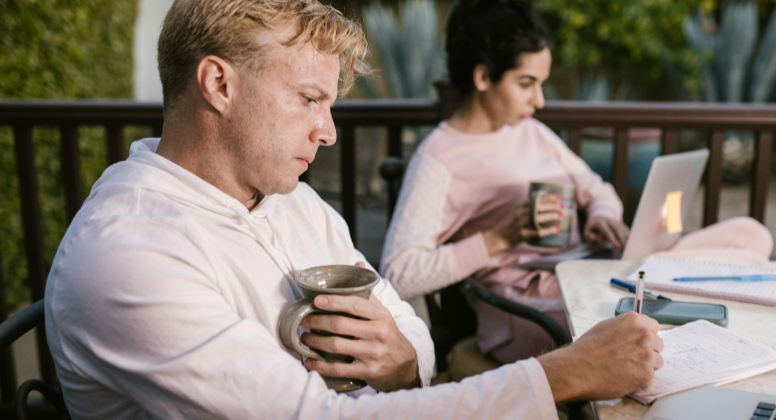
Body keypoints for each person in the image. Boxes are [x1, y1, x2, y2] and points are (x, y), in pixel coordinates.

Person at [44, 0, 664, 418]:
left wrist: (401, 361)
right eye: (310, 98)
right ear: (219, 84)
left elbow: (408, 326)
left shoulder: (295, 204)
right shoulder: (127, 255)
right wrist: (564, 375)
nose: (329, 132)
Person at [380, 0, 774, 364]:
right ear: (483, 76)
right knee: (738, 279)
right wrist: (498, 239)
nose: (539, 100)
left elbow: (596, 187)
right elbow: (399, 271)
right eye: (526, 83)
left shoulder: (529, 131)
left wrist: (602, 214)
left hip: (596, 270)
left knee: (750, 237)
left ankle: (669, 284)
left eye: (541, 83)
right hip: (533, 307)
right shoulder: (439, 158)